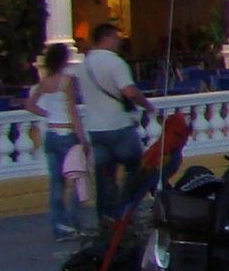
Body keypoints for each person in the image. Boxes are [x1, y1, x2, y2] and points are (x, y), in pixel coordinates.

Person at [75, 22, 152, 221]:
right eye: (117, 38)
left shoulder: (84, 65)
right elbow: (129, 91)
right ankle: (125, 208)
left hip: (96, 128)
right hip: (118, 125)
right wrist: (148, 105)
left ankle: (106, 219)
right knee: (138, 169)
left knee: (104, 176)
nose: (119, 43)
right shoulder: (115, 63)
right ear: (107, 38)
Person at [32, 41, 89, 239]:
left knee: (56, 183)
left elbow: (29, 104)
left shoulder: (45, 81)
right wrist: (82, 139)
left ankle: (59, 225)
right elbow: (72, 111)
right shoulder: (68, 81)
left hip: (52, 133)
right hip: (67, 134)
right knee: (76, 178)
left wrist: (47, 113)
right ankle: (73, 221)